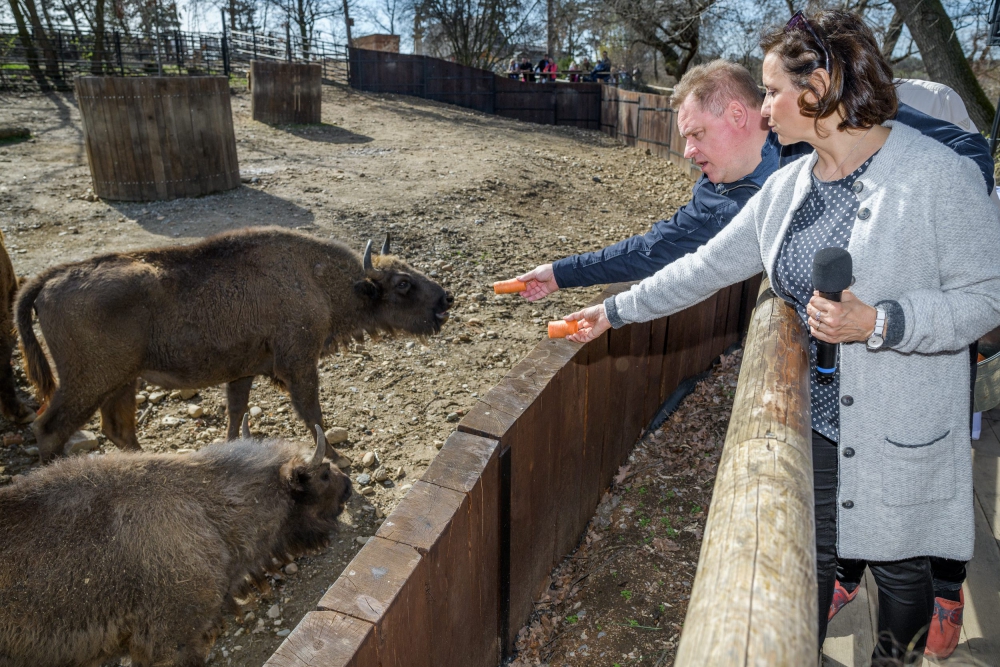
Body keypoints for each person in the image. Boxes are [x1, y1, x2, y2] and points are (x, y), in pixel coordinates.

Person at [556, 10, 1000, 662]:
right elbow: (705, 266)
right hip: (822, 421)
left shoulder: (934, 175)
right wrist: (614, 311)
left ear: (819, 85)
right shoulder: (788, 187)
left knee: (902, 571)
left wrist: (881, 321)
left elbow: (987, 298)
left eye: (770, 91)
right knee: (820, 552)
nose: (763, 111)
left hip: (906, 424)